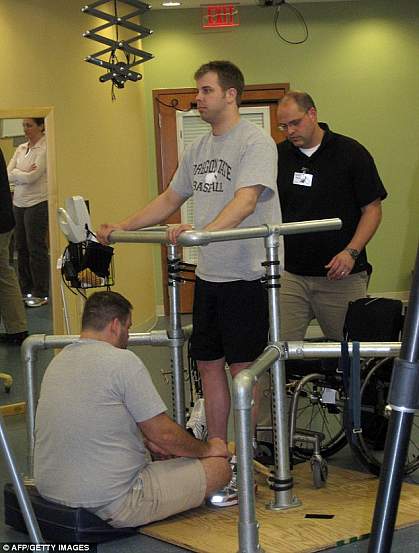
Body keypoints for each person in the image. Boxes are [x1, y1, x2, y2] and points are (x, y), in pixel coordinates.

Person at [97, 60, 282, 506]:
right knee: (208, 366)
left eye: (205, 91)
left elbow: (245, 201)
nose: (197, 99)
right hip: (211, 276)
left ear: (231, 95)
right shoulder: (199, 149)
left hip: (248, 276)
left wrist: (202, 232)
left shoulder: (256, 143)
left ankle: (241, 462)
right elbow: (169, 199)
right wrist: (122, 225)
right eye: (198, 92)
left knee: (243, 374)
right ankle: (217, 454)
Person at [34, 291, 230, 528]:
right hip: (112, 502)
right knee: (219, 468)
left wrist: (149, 443)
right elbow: (165, 434)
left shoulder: (58, 361)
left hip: (51, 493)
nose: (127, 336)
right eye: (128, 327)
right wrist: (208, 449)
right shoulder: (123, 361)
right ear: (115, 326)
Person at [276, 91, 387, 341]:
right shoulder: (278, 157)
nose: (290, 131)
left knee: (349, 356)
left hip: (341, 276)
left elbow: (372, 210)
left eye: (295, 123)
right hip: (291, 276)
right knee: (277, 354)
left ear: (312, 114)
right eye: (283, 126)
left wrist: (351, 252)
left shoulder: (351, 152)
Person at [7, 117, 49, 308]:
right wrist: (20, 174)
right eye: (24, 125)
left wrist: (19, 173)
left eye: (29, 125)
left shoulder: (46, 147)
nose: (25, 129)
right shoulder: (21, 148)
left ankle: (41, 293)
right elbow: (8, 172)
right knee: (21, 248)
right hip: (19, 202)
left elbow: (33, 177)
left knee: (35, 248)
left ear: (41, 126)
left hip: (37, 203)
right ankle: (26, 291)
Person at [0, 147, 28, 345]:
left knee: (3, 273)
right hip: (4, 219)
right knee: (4, 273)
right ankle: (17, 328)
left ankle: (17, 329)